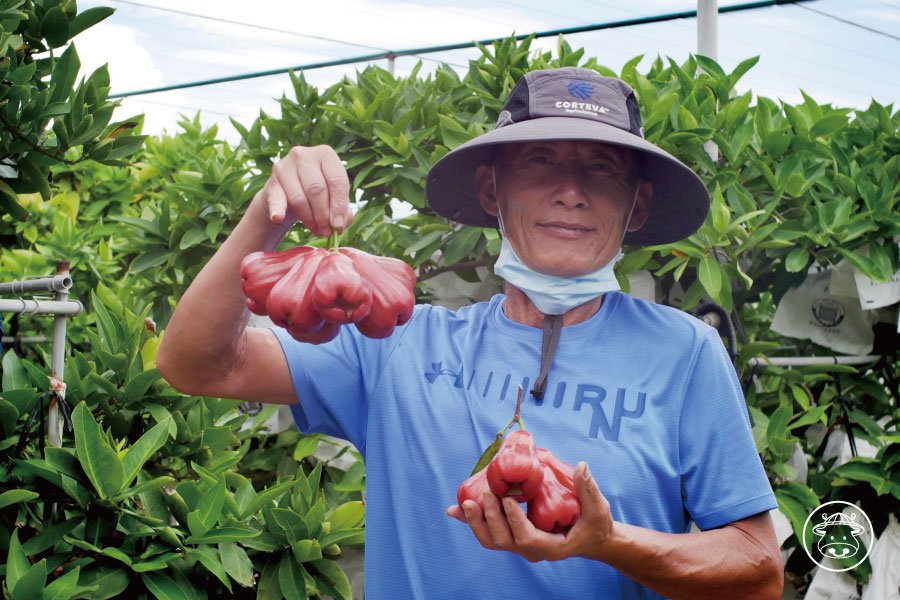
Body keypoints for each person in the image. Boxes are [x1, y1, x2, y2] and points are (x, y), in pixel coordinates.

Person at [157, 67, 783, 599]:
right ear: (491, 188)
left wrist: (612, 543)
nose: (571, 192)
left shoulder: (685, 355)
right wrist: (268, 215)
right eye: (541, 161)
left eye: (602, 168)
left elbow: (759, 571)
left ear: (637, 207)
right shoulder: (398, 343)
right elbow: (197, 364)